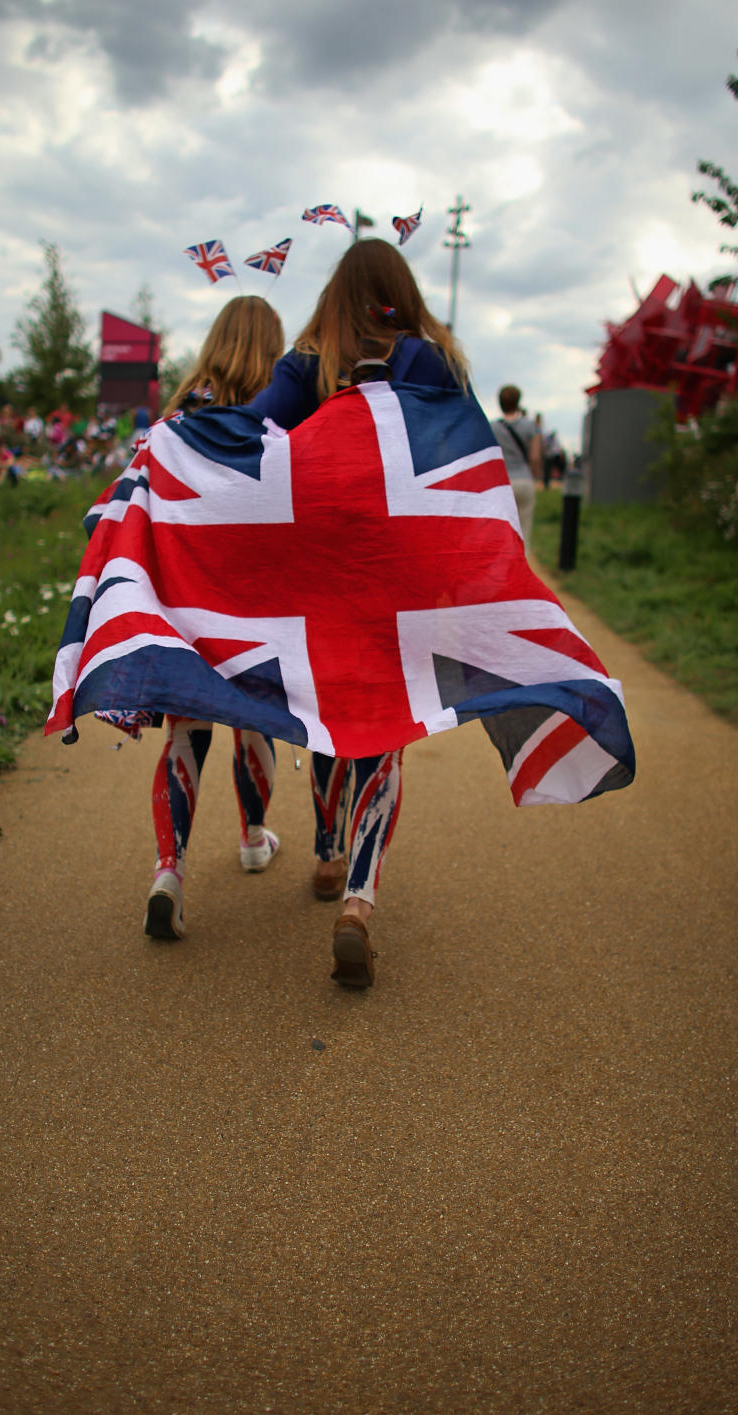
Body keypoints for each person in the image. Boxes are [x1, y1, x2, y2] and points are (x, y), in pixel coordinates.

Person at [248, 236, 471, 987]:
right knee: (385, 730)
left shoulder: (307, 364)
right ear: (400, 291)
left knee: (325, 711)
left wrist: (165, 449)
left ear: (336, 295)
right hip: (400, 576)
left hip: (315, 576)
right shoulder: (430, 362)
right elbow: (463, 463)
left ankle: (323, 849)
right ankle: (359, 899)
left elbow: (247, 435)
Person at [142, 295, 286, 941]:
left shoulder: (173, 425)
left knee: (187, 731)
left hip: (188, 605)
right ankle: (253, 838)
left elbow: (135, 513)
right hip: (260, 608)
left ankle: (168, 871)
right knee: (255, 723)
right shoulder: (281, 424)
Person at [491, 385, 543, 547]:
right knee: (524, 531)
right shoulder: (530, 426)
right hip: (524, 480)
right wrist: (538, 477)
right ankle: (522, 567)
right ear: (518, 402)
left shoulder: (493, 427)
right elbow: (535, 457)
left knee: (503, 531)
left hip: (502, 483)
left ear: (500, 403)